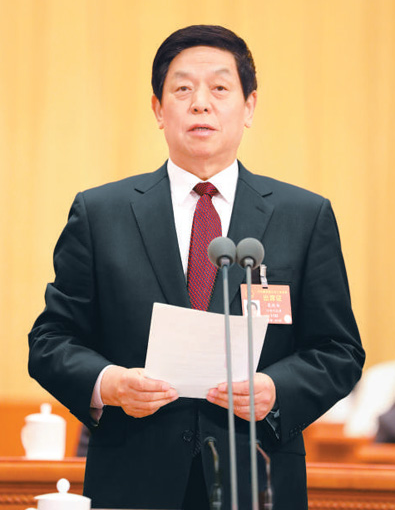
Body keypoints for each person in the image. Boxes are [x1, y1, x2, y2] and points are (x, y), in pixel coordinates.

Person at [28, 25, 365, 510]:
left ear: (249, 107)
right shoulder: (100, 214)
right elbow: (50, 341)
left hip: (258, 478)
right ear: (157, 109)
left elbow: (339, 350)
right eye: (183, 89)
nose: (201, 104)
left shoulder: (304, 216)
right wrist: (110, 384)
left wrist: (277, 390)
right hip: (133, 481)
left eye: (220, 88)